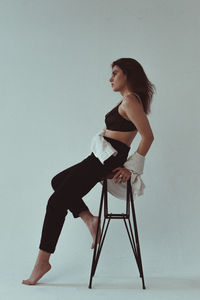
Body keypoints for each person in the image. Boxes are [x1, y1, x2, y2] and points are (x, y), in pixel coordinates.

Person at [22, 57, 155, 285]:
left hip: (107, 160)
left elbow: (148, 136)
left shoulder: (131, 100)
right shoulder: (127, 101)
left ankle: (42, 262)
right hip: (101, 157)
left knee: (56, 202)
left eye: (115, 73)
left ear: (128, 75)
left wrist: (131, 169)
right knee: (58, 181)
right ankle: (89, 220)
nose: (110, 78)